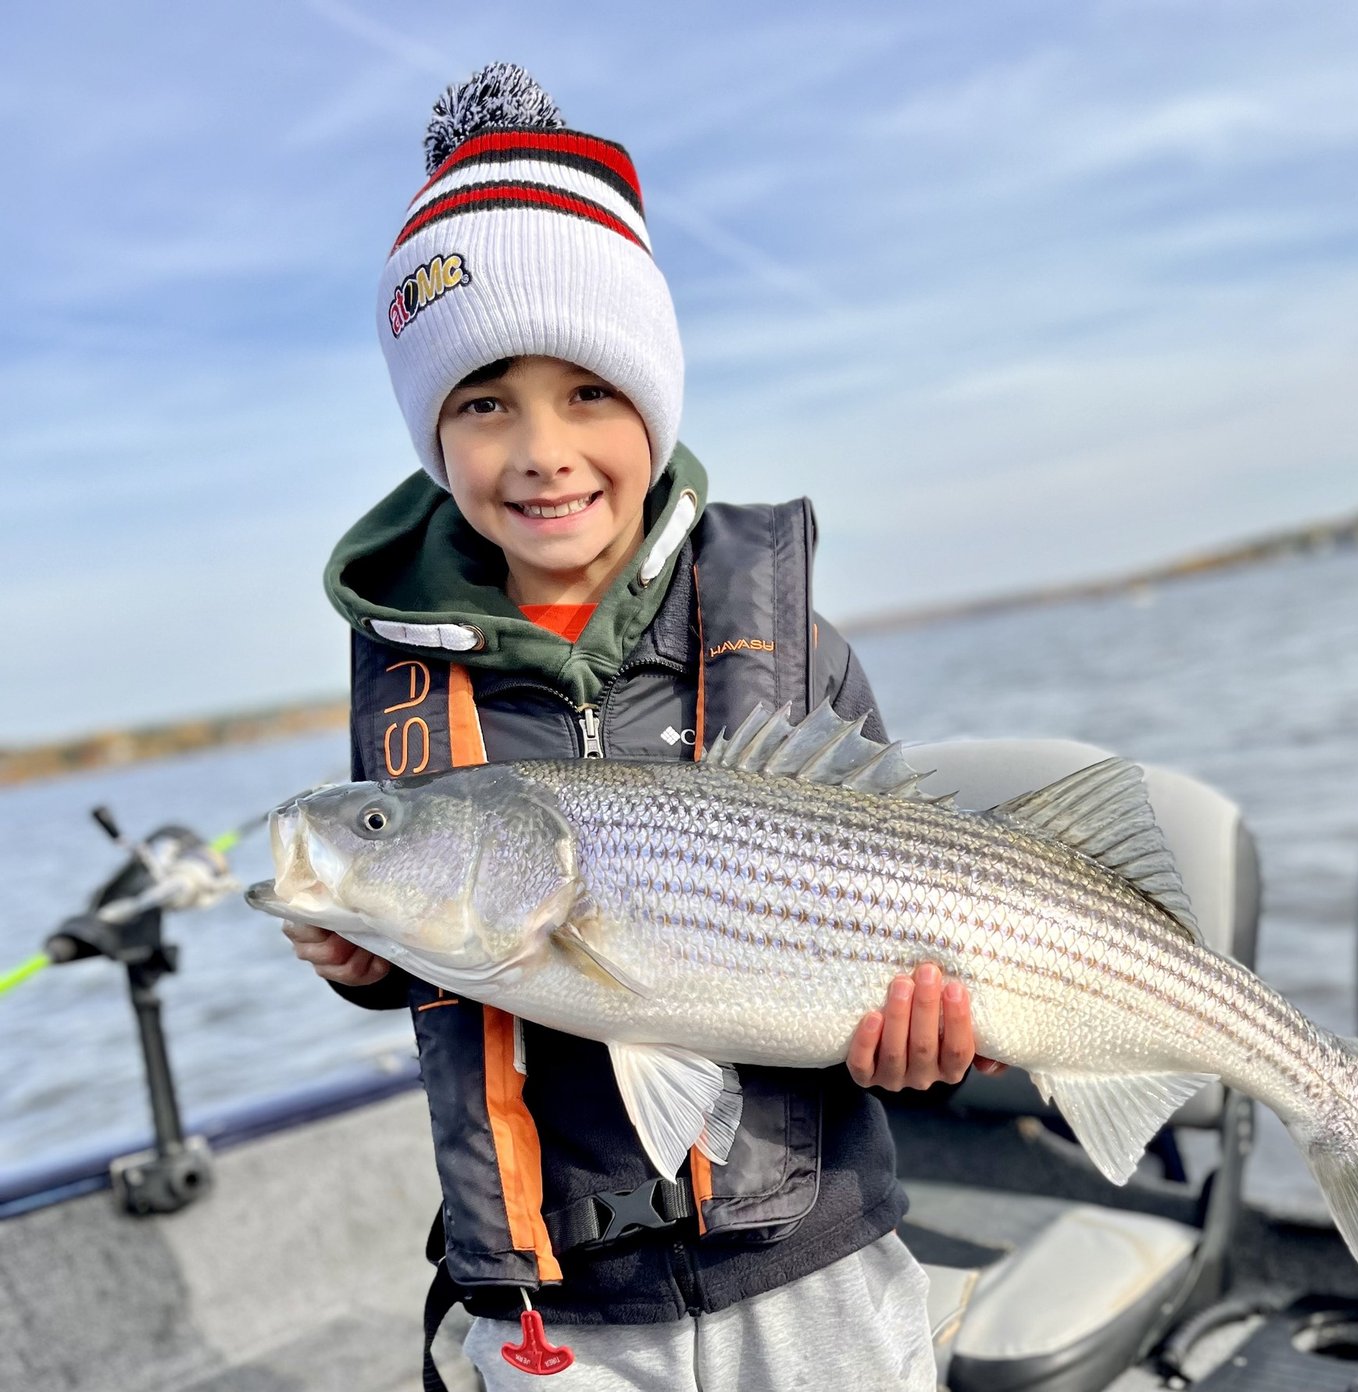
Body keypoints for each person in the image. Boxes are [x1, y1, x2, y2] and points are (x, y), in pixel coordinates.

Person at [282, 63, 1000, 1391]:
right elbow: (452, 916)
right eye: (484, 401)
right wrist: (362, 958)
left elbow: (927, 919)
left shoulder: (798, 651)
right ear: (432, 432)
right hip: (554, 1317)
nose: (544, 449)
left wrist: (943, 1047)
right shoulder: (410, 688)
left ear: (654, 403)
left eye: (590, 392)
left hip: (817, 1281)